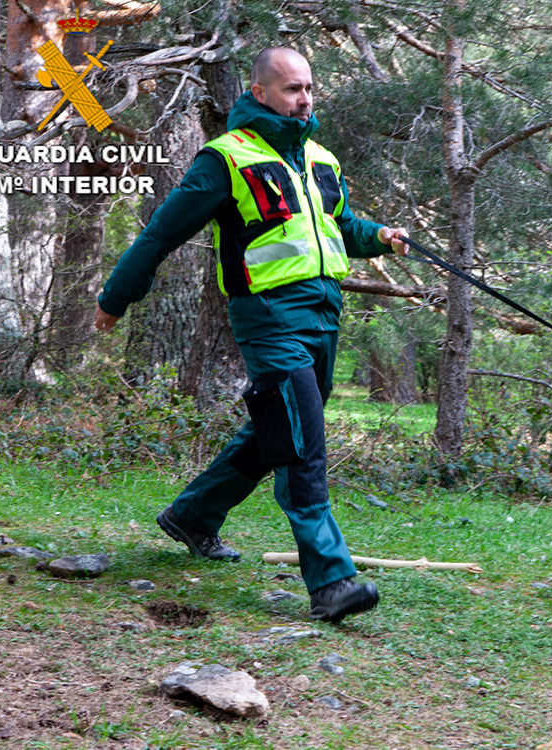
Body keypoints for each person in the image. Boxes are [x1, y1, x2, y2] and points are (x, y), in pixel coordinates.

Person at [94, 47, 408, 624]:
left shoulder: (320, 158)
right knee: (299, 445)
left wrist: (379, 234)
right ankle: (332, 581)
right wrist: (116, 298)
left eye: (309, 87)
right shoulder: (225, 159)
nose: (305, 98)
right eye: (292, 89)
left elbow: (335, 225)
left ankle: (192, 516)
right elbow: (159, 234)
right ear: (259, 93)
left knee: (279, 428)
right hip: (268, 317)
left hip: (324, 314)